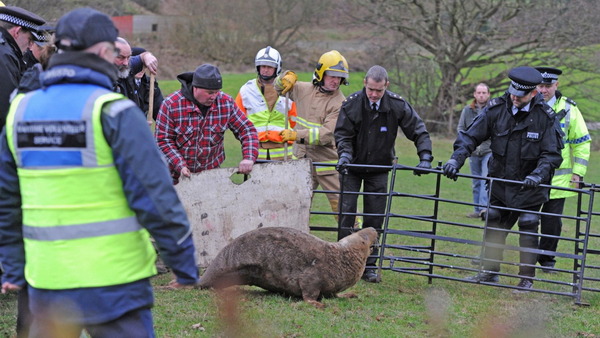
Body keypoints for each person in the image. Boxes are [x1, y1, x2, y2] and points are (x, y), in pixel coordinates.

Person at [0, 8, 199, 336]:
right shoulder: (114, 111)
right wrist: (182, 259)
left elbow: (8, 200)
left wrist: (11, 263)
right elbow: (154, 194)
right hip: (115, 283)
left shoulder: (20, 111)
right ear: (103, 52)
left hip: (49, 283)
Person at [442, 66, 563, 291]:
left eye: (521, 95)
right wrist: (455, 160)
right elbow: (470, 137)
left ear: (533, 93)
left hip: (529, 186)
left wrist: (538, 175)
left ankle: (526, 278)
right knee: (494, 222)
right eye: (512, 92)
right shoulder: (496, 109)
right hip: (500, 182)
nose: (515, 97)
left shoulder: (544, 117)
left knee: (528, 224)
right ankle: (489, 272)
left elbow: (552, 154)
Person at [334, 65, 433, 283]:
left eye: (378, 91)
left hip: (379, 169)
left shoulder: (396, 105)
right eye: (370, 89)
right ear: (365, 84)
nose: (374, 94)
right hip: (352, 167)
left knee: (374, 219)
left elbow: (418, 129)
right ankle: (342, 262)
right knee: (346, 213)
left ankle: (369, 265)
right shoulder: (352, 105)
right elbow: (343, 135)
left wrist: (425, 156)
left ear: (386, 86)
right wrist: (345, 156)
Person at [155, 63, 259, 184]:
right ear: (196, 87)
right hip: (174, 178)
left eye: (217, 92)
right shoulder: (171, 105)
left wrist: (249, 157)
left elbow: (246, 129)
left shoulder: (226, 103)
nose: (214, 96)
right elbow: (162, 141)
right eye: (210, 92)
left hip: (211, 178)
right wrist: (180, 165)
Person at [275, 50, 348, 216]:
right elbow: (278, 88)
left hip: (327, 164)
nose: (336, 81)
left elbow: (326, 134)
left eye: (339, 77)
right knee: (295, 205)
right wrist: (286, 76)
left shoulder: (340, 103)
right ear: (321, 74)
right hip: (301, 161)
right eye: (332, 76)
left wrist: (296, 136)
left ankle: (356, 239)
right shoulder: (302, 89)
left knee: (342, 207)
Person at [535, 67, 591, 273]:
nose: (543, 90)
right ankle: (528, 258)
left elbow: (582, 142)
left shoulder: (569, 109)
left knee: (551, 223)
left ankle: (547, 259)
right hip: (531, 176)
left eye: (548, 86)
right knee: (527, 219)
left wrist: (578, 172)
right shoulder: (527, 104)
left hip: (558, 180)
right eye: (540, 86)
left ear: (556, 85)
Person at [235, 46, 297, 160]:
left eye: (269, 67)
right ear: (257, 67)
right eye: (263, 66)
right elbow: (237, 120)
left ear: (277, 68)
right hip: (256, 150)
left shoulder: (288, 89)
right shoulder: (246, 90)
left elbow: (295, 120)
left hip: (283, 151)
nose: (265, 70)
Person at [0, 5, 45, 131]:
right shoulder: (4, 55)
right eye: (30, 39)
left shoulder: (6, 51)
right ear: (17, 32)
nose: (30, 46)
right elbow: (6, 107)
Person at [457, 83, 492, 218]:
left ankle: (484, 209)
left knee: (485, 179)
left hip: (488, 150)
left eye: (484, 93)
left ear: (488, 94)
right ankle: (477, 210)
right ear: (474, 94)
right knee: (475, 181)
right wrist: (466, 143)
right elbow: (461, 128)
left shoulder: (492, 109)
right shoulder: (467, 110)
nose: (481, 95)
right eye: (479, 93)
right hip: (472, 151)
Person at [113, 37, 160, 119]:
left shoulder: (125, 67)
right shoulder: (97, 79)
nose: (126, 63)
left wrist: (148, 56)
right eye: (120, 57)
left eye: (128, 57)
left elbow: (142, 57)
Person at [131, 46, 164, 121]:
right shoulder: (121, 84)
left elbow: (161, 114)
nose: (141, 69)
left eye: (145, 65)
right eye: (139, 65)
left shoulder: (150, 84)